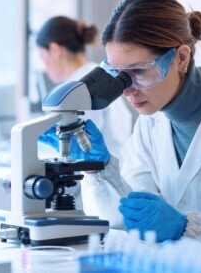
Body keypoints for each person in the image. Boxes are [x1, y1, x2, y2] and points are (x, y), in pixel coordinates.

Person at [39, 0, 201, 243]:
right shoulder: (150, 124)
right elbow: (129, 219)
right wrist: (101, 170)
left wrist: (190, 227)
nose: (127, 90)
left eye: (138, 72)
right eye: (119, 76)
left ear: (180, 58)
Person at [36, 16, 138, 208]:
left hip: (103, 187)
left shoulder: (83, 91)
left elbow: (81, 145)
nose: (44, 67)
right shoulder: (87, 82)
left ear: (55, 50)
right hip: (105, 183)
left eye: (43, 57)